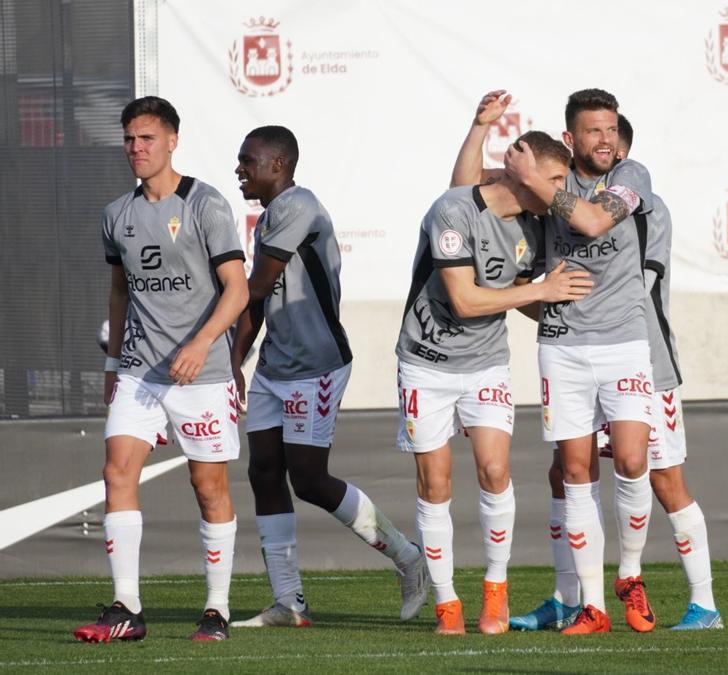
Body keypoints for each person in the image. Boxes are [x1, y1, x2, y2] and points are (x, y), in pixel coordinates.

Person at [226, 126, 430, 629]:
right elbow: (258, 300)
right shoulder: (269, 216)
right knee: (263, 472)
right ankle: (289, 603)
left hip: (317, 365)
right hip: (277, 365)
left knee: (310, 480)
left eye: (247, 161)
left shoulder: (300, 205)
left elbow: (254, 287)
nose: (239, 170)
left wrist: (205, 318)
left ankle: (409, 559)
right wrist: (236, 361)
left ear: (278, 165)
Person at [397, 130, 589, 635]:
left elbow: (520, 294)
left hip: (485, 364)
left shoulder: (540, 223)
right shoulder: (453, 211)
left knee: (494, 469)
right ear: (518, 171)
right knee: (435, 484)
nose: (557, 193)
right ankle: (447, 604)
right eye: (551, 180)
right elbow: (464, 300)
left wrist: (553, 307)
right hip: (425, 363)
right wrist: (543, 289)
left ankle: (495, 592)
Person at [75, 96, 249, 643]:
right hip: (139, 370)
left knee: (208, 486)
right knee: (117, 471)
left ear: (173, 140)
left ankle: (216, 608)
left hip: (203, 373)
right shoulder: (116, 216)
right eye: (129, 138)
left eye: (147, 138)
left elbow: (238, 290)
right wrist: (111, 361)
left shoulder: (207, 205)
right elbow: (120, 290)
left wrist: (200, 344)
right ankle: (127, 606)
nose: (136, 148)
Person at [503, 88, 659, 635]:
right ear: (570, 139)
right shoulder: (551, 180)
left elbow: (594, 222)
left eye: (611, 129)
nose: (606, 139)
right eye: (594, 131)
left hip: (623, 342)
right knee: (574, 471)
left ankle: (630, 576)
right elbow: (468, 194)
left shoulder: (631, 176)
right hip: (564, 348)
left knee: (635, 460)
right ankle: (591, 605)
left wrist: (540, 185)